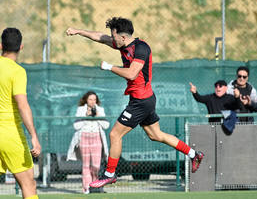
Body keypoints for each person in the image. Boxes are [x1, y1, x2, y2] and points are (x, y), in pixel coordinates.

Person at [66, 17, 204, 188]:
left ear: (123, 37)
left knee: (115, 134)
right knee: (156, 135)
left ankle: (109, 174)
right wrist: (79, 31)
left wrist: (109, 67)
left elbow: (132, 73)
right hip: (142, 99)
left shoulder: (141, 48)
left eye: (114, 35)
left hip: (141, 101)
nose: (111, 38)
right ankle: (193, 154)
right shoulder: (122, 44)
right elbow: (100, 37)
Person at [0, 28, 41, 199]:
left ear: (1, 45)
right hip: (9, 134)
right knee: (28, 184)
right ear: (21, 47)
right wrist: (34, 136)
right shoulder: (17, 72)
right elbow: (22, 105)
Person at [67, 91, 109, 194]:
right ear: (86, 100)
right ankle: (86, 188)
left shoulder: (100, 110)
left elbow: (106, 125)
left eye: (94, 99)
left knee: (96, 165)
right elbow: (76, 126)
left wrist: (98, 116)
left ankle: (95, 186)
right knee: (86, 165)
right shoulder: (81, 110)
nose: (92, 101)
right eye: (90, 99)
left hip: (96, 138)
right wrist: (86, 116)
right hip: (84, 137)